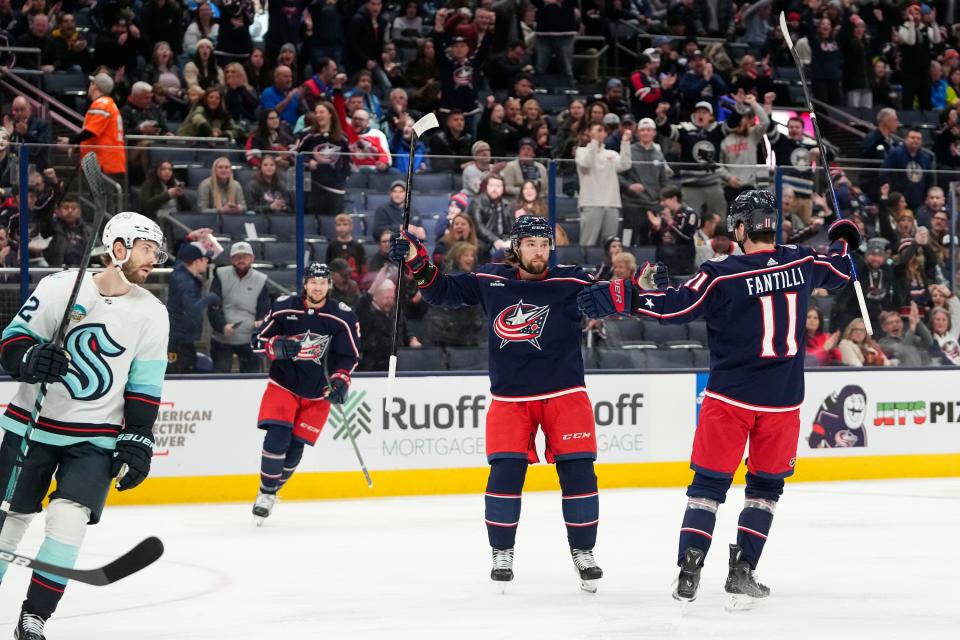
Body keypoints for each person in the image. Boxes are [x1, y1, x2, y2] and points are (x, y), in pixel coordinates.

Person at [577, 190, 857, 607]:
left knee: (707, 488)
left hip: (730, 399)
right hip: (782, 403)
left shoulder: (721, 274)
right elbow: (843, 268)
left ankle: (690, 570)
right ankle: (742, 570)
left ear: (742, 228)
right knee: (765, 491)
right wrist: (843, 235)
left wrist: (629, 297)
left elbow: (675, 308)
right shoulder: (804, 262)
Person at [390, 215, 605, 593]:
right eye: (532, 244)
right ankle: (501, 552)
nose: (540, 251)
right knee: (505, 474)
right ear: (516, 248)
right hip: (511, 397)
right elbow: (441, 291)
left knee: (579, 473)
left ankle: (583, 552)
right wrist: (414, 259)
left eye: (544, 244)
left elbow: (609, 297)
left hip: (566, 393)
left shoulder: (572, 279)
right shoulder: (491, 280)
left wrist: (637, 289)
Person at [0, 212, 168, 639]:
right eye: (147, 249)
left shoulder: (152, 313)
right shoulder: (59, 287)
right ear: (119, 248)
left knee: (69, 522)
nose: (154, 259)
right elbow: (11, 341)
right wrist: (31, 359)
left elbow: (144, 387)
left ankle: (34, 617)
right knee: (11, 521)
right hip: (32, 427)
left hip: (94, 438)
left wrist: (139, 437)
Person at [250, 262, 360, 521]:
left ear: (329, 285)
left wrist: (341, 380)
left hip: (318, 392)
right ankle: (265, 493)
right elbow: (257, 341)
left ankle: (272, 490)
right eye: (313, 282)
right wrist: (277, 345)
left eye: (323, 282)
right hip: (284, 385)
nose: (318, 287)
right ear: (305, 284)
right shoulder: (283, 307)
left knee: (296, 447)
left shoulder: (342, 316)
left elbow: (349, 357)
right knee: (278, 434)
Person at [207, 241, 270, 373]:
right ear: (231, 259)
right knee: (219, 379)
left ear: (252, 258)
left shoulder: (261, 279)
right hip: (222, 337)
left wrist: (260, 320)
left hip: (250, 337)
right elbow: (213, 305)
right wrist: (222, 326)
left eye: (245, 256)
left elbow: (264, 307)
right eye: (237, 256)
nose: (241, 260)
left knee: (250, 379)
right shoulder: (220, 274)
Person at [56, 73, 126, 181]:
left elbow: (91, 131)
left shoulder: (102, 104)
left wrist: (71, 140)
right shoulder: (107, 103)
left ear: (95, 86)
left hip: (103, 161)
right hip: (106, 161)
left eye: (91, 83)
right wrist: (76, 145)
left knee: (101, 197)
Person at [576, 123, 633, 246]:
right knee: (588, 242)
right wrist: (594, 143)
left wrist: (625, 143)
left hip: (611, 203)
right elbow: (587, 163)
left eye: (602, 131)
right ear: (590, 133)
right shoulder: (581, 152)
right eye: (597, 130)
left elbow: (625, 165)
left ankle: (607, 265)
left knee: (610, 243)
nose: (599, 133)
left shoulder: (611, 154)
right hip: (591, 203)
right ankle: (585, 264)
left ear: (606, 134)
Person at [167, 243, 219, 374]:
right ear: (196, 261)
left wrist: (189, 238)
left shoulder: (180, 271)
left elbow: (179, 259)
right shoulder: (187, 284)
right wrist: (211, 298)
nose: (208, 262)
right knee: (180, 374)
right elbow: (192, 309)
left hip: (179, 338)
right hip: (180, 340)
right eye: (205, 259)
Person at [619, 117, 671, 246]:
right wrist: (629, 186)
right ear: (637, 133)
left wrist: (662, 201)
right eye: (642, 130)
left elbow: (664, 181)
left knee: (650, 242)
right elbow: (618, 174)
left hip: (653, 205)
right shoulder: (629, 151)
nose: (646, 133)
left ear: (654, 132)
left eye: (649, 130)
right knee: (627, 241)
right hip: (632, 205)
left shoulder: (659, 154)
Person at [646, 186, 698, 276]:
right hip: (662, 263)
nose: (661, 204)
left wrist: (670, 221)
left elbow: (686, 236)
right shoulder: (661, 214)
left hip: (682, 264)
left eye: (664, 200)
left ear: (674, 198)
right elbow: (654, 242)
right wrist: (656, 228)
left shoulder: (689, 214)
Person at [326, 213, 366, 283]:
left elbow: (362, 266)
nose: (341, 227)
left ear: (351, 226)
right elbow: (328, 265)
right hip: (336, 281)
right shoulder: (332, 245)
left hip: (354, 280)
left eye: (345, 224)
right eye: (339, 225)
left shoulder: (357, 246)